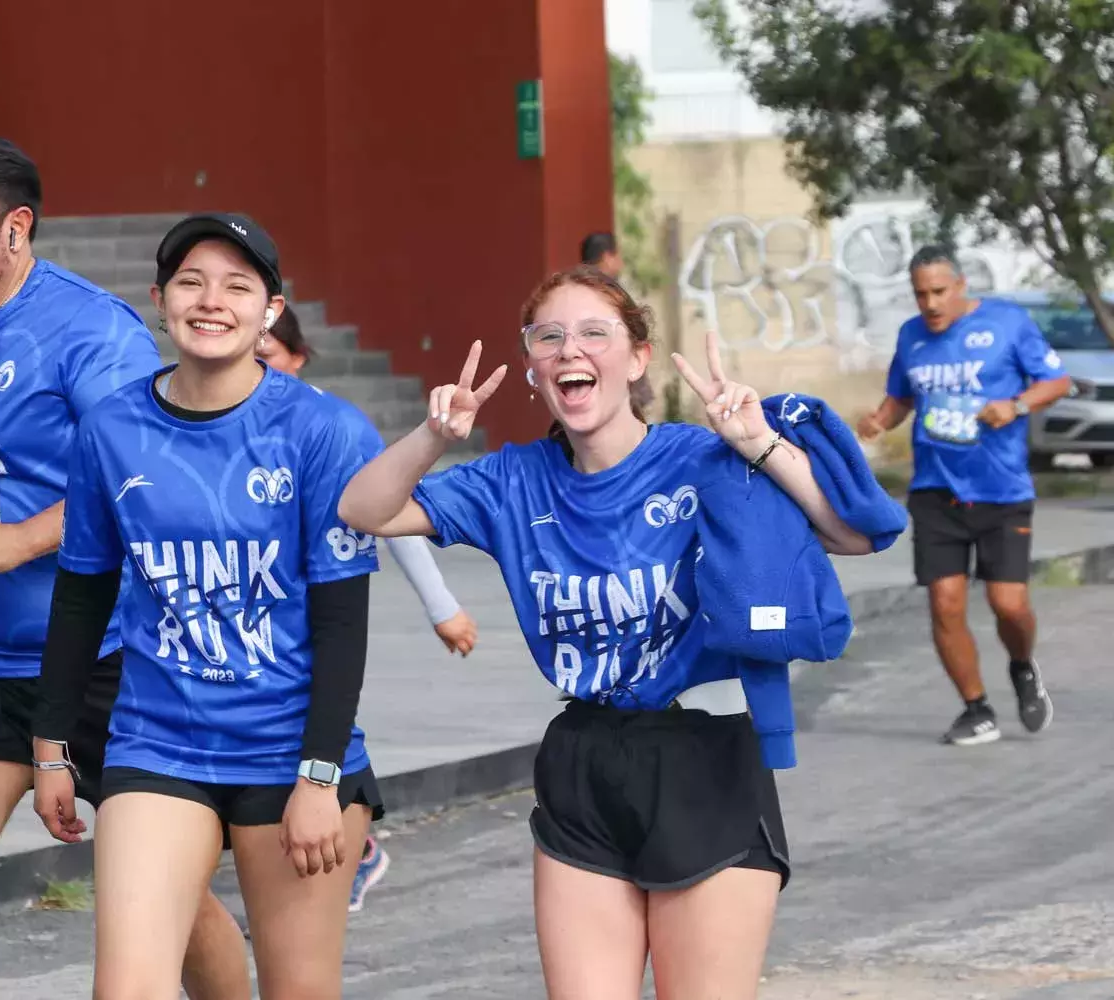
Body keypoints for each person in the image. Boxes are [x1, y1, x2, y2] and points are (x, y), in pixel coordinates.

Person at [336, 266, 903, 999]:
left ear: (636, 359)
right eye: (551, 337)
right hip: (586, 760)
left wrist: (759, 443)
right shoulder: (514, 481)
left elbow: (858, 536)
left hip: (707, 760)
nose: (571, 349)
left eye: (594, 333)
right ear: (535, 369)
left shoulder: (701, 458)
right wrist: (435, 435)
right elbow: (364, 510)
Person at [0, 126, 250, 1000]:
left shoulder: (89, 334)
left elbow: (151, 475)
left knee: (167, 903)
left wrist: (21, 539)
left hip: (101, 660)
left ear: (15, 229)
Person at [30, 212, 383, 1000]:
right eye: (190, 282)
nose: (211, 300)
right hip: (159, 745)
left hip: (290, 753)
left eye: (237, 285)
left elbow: (340, 622)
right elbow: (82, 596)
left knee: (299, 989)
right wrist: (50, 745)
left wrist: (320, 777)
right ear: (160, 299)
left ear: (271, 309)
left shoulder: (323, 431)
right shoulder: (112, 428)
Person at [259, 306, 483, 911]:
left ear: (298, 357)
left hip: (316, 622)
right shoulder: (215, 422)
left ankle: (354, 848)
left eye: (270, 356)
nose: (257, 367)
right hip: (244, 632)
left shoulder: (328, 427)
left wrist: (443, 607)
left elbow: (395, 518)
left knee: (325, 724)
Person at [857, 245, 1071, 747]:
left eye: (938, 292)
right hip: (935, 491)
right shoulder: (911, 336)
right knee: (945, 602)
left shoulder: (1007, 323)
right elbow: (902, 395)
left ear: (960, 287)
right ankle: (976, 709)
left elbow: (1055, 381)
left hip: (1001, 491)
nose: (929, 304)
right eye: (920, 294)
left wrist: (1015, 405)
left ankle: (1022, 664)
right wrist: (877, 422)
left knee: (1009, 604)